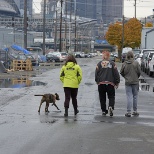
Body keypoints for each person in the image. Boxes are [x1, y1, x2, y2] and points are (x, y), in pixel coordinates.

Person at [95, 51, 120, 117]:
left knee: (102, 97)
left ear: (103, 56)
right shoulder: (112, 64)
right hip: (110, 83)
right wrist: (117, 82)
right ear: (108, 56)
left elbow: (96, 73)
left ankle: (103, 110)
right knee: (111, 96)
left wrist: (97, 80)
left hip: (101, 83)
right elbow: (116, 73)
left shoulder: (99, 64)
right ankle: (111, 106)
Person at [120, 51, 141, 117]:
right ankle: (135, 111)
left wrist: (126, 77)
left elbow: (121, 72)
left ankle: (128, 112)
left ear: (127, 56)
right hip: (135, 81)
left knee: (129, 96)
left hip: (128, 82)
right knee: (135, 96)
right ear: (133, 56)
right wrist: (136, 77)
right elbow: (139, 72)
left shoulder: (124, 64)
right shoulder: (136, 63)